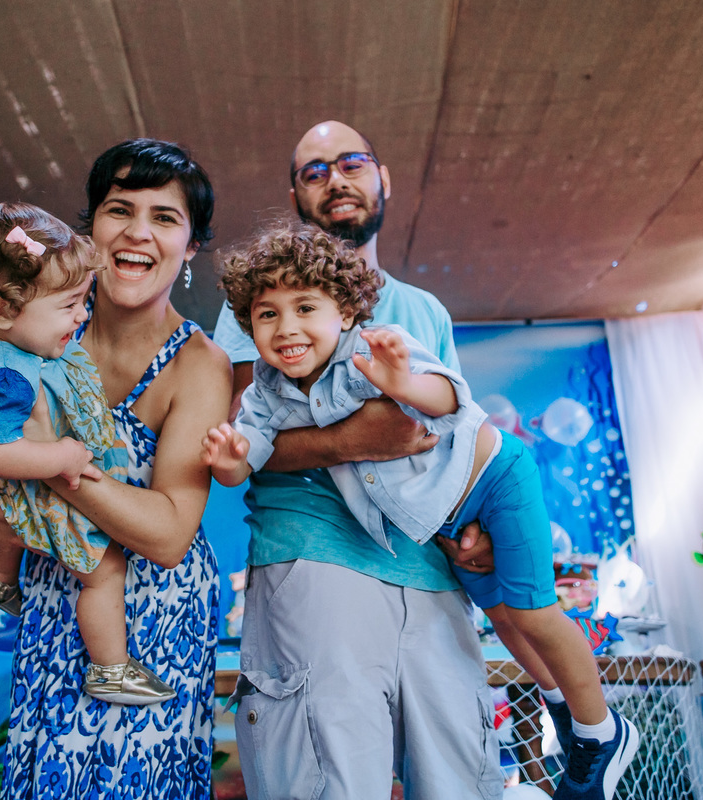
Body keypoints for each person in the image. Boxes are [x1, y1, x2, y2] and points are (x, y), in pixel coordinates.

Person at [206, 221, 640, 800]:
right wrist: (230, 459)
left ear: (344, 310)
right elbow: (249, 459)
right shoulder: (265, 391)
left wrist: (404, 382)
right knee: (504, 616)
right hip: (440, 519)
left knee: (532, 613)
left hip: (494, 477)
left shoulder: (371, 347)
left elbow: (451, 399)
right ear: (246, 325)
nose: (286, 328)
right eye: (266, 315)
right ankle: (562, 705)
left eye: (305, 307)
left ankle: (599, 733)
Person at [0, 139, 231, 798]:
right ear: (90, 230)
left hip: (151, 618)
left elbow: (166, 535)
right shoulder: (31, 318)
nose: (137, 232)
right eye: (119, 209)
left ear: (190, 249)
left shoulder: (198, 363)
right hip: (55, 598)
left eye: (165, 217)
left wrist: (44, 460)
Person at [212, 121, 502, 799]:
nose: (335, 179)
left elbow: (452, 433)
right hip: (316, 561)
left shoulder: (422, 310)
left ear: (383, 179)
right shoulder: (259, 305)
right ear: (295, 194)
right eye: (314, 171)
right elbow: (239, 431)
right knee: (328, 784)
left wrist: (475, 530)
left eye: (351, 162)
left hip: (432, 575)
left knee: (461, 778)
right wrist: (355, 438)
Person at [0, 201, 174, 705]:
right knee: (104, 570)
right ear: (2, 310)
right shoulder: (5, 373)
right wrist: (60, 456)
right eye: (69, 306)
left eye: (84, 301)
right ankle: (110, 667)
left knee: (5, 532)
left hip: (5, 478)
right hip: (22, 475)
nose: (81, 315)